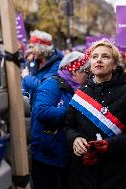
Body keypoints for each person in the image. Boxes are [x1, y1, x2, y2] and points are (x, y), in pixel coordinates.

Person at [64, 39, 126, 189]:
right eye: (95, 56)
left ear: (115, 64)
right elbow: (69, 126)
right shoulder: (80, 94)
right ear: (90, 63)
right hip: (84, 174)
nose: (99, 60)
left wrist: (111, 145)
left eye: (105, 56)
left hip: (119, 173)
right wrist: (75, 139)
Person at [30, 51, 90, 189]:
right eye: (86, 71)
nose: (88, 75)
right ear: (74, 71)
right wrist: (72, 112)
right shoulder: (52, 84)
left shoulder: (79, 89)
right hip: (46, 155)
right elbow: (41, 110)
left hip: (64, 154)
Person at [21, 30, 63, 107]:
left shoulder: (58, 64)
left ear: (41, 48)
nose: (31, 50)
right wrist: (24, 98)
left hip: (46, 108)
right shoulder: (34, 60)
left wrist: (27, 77)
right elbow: (24, 84)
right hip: (32, 108)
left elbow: (44, 86)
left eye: (32, 47)